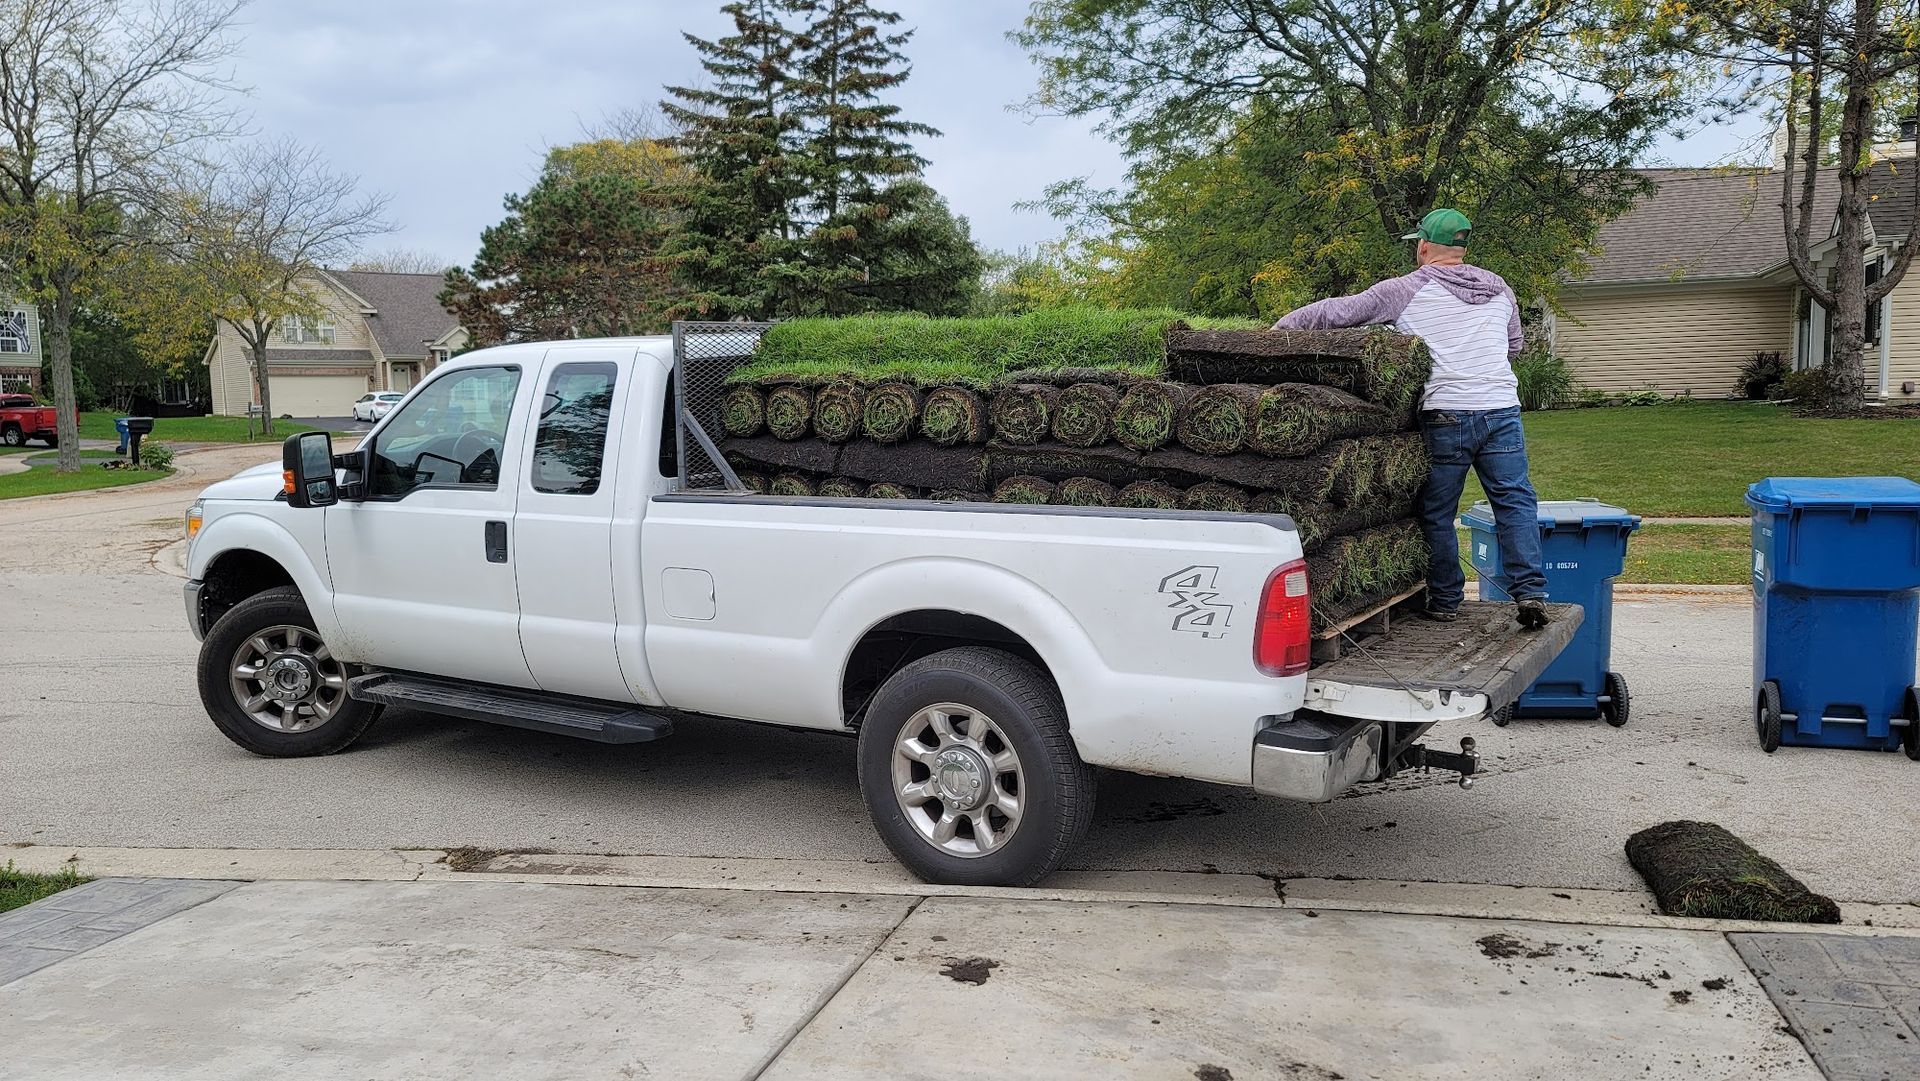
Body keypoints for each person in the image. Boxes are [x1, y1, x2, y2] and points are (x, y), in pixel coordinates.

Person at [1269, 208, 1550, 629]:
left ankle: (1446, 600)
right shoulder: (1499, 288)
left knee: (1438, 513)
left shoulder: (1408, 288)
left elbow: (1338, 312)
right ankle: (1530, 591)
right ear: (1462, 248)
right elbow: (1514, 346)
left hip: (1448, 413)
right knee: (1514, 503)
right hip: (1501, 411)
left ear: (1422, 246)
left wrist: (1279, 330)